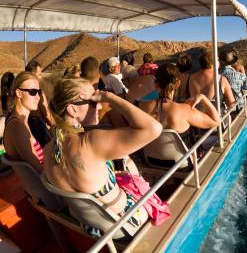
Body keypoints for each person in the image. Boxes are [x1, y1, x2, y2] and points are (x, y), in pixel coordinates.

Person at [43, 77, 169, 236]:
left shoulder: (48, 150)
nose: (100, 105)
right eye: (94, 101)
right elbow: (154, 128)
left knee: (125, 161)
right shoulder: (90, 142)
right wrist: (111, 98)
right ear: (73, 110)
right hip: (126, 223)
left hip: (90, 226)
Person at [140, 64, 220, 163]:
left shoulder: (142, 107)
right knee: (218, 139)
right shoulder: (184, 110)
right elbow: (216, 120)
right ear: (177, 84)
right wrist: (202, 97)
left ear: (156, 84)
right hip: (183, 164)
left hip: (151, 161)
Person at [2, 72, 44, 173]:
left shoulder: (21, 121)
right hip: (43, 185)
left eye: (39, 92)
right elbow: (38, 169)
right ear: (19, 93)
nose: (38, 97)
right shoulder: (17, 126)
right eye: (33, 92)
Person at [25, 60, 54, 147]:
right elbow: (47, 115)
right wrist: (58, 127)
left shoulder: (23, 91)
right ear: (33, 75)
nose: (41, 77)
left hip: (29, 133)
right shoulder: (39, 93)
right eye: (39, 74)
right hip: (40, 132)